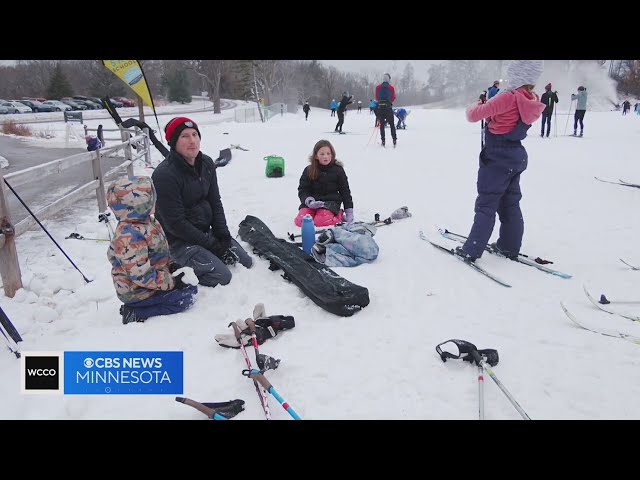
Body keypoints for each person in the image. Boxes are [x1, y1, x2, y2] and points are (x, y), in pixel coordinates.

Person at [455, 60, 545, 263]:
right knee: (510, 202)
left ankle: (472, 249)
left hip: (497, 157)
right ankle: (509, 246)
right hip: (516, 155)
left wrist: (480, 104)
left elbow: (473, 115)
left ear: (517, 75)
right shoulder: (531, 98)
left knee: (486, 203)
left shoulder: (508, 97)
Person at [151, 117, 252, 288]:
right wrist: (212, 245)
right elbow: (176, 224)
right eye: (184, 136)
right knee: (222, 276)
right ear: (173, 142)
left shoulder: (206, 163)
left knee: (246, 261)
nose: (192, 141)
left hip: (204, 232)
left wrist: (223, 236)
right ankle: (175, 266)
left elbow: (215, 201)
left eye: (195, 134)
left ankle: (207, 252)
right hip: (179, 241)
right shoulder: (164, 176)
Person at [106, 176, 198, 324]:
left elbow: (162, 250)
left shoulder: (150, 221)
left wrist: (172, 265)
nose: (155, 201)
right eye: (150, 198)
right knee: (185, 299)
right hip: (136, 291)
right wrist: (172, 282)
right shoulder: (129, 236)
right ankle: (135, 312)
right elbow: (140, 274)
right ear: (136, 204)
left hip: (153, 280)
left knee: (191, 287)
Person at [294, 139, 354, 228]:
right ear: (316, 156)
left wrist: (349, 211)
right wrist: (309, 201)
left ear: (332, 154)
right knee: (301, 221)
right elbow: (303, 189)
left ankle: (339, 215)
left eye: (328, 153)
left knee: (321, 221)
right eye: (322, 154)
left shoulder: (338, 170)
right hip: (313, 203)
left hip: (330, 203)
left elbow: (345, 191)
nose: (325, 156)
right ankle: (314, 213)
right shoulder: (309, 170)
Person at [375, 73, 397, 147]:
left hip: (380, 108)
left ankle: (383, 140)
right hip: (388, 108)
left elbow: (377, 98)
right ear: (388, 80)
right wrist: (389, 101)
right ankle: (394, 139)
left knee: (382, 126)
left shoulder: (377, 87)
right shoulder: (391, 88)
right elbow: (393, 97)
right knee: (392, 125)